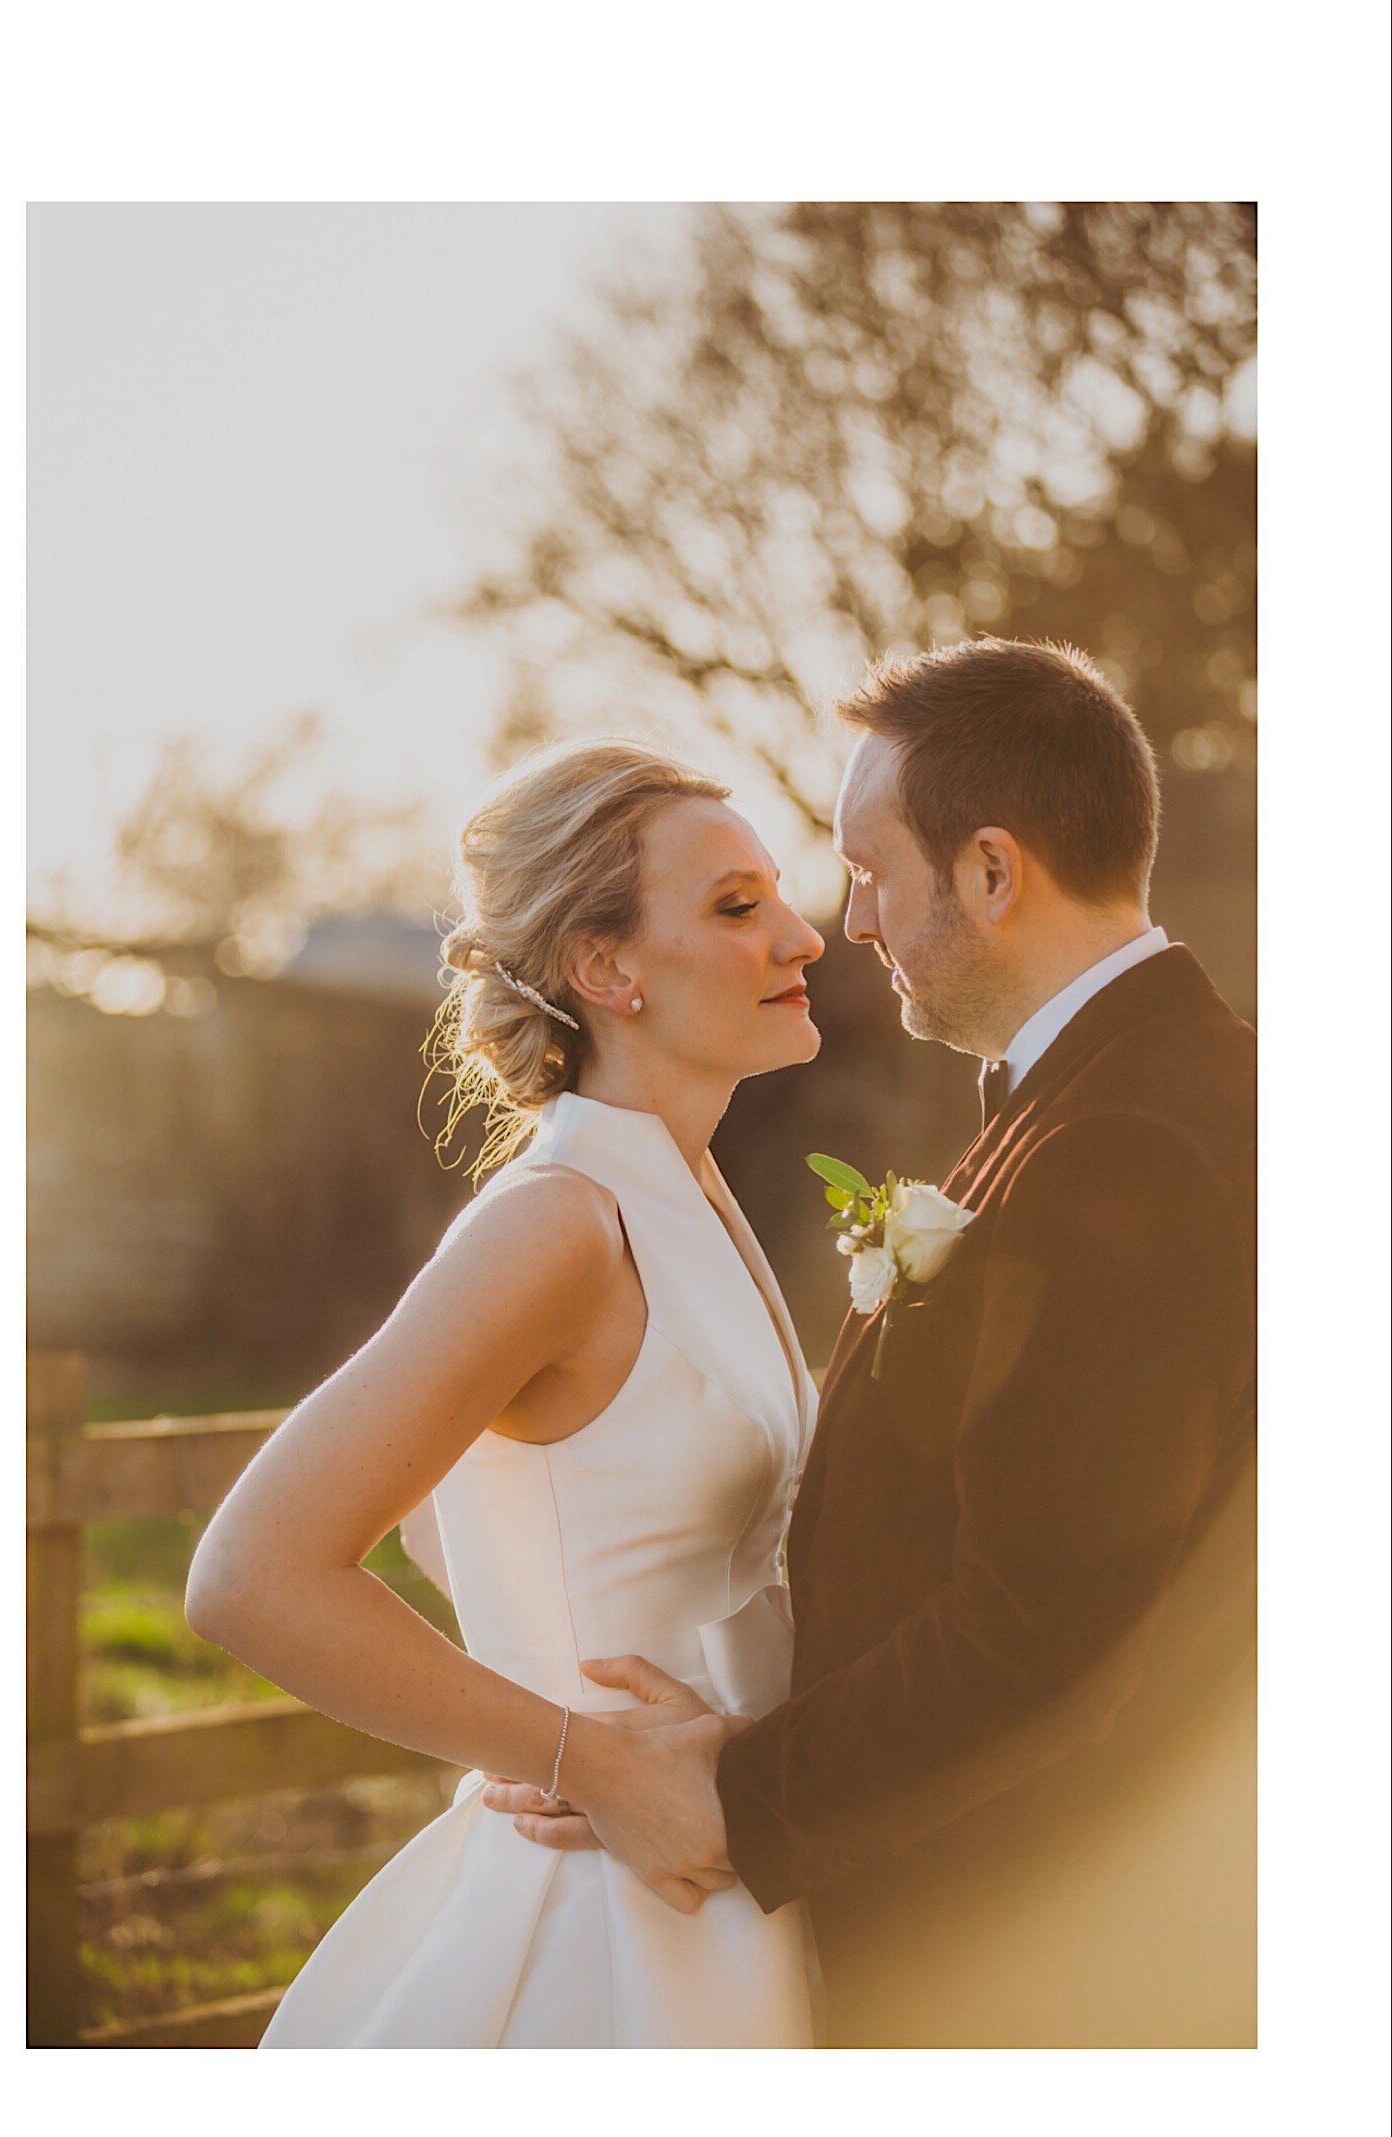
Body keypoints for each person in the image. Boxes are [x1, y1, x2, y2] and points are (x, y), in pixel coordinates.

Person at [491, 639, 1258, 2047]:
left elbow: (1043, 1623)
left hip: (1058, 1965)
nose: (846, 922)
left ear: (988, 872)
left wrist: (730, 1796)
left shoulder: (1123, 1148)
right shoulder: (1142, 1093)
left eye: (868, 868)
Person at [184, 737, 827, 2046]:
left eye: (780, 892)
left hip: (729, 1881)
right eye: (736, 906)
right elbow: (251, 1570)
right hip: (604, 1916)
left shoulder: (690, 1190)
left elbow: (487, 1515)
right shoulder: (556, 1223)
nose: (803, 934)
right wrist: (579, 1755)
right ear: (607, 969)